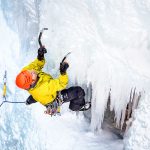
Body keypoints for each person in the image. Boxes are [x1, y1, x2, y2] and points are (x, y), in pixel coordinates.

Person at [15, 46, 91, 116]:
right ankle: (76, 107)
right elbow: (62, 84)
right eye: (31, 74)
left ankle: (32, 99)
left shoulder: (26, 72)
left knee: (37, 96)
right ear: (32, 82)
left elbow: (35, 65)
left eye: (29, 72)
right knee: (78, 91)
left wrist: (40, 57)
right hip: (54, 98)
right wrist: (63, 72)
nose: (32, 71)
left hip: (40, 94)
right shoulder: (44, 88)